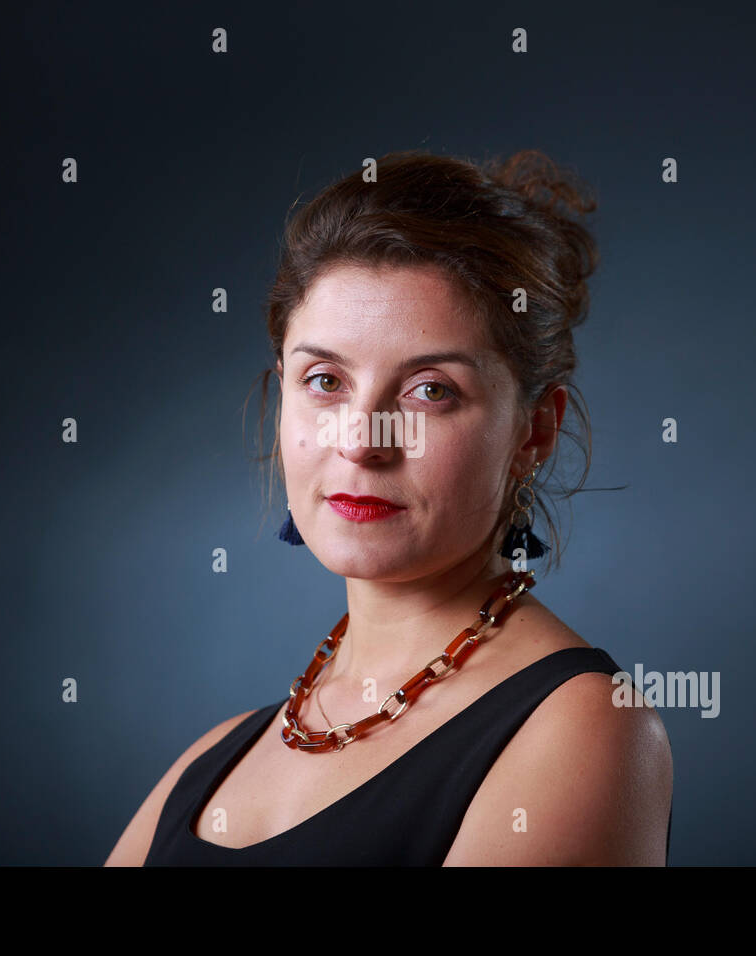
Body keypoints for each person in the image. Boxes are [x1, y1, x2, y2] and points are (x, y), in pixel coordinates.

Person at [106, 149, 673, 866]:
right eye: (324, 380)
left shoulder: (582, 727)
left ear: (535, 430)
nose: (362, 441)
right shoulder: (213, 758)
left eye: (430, 390)